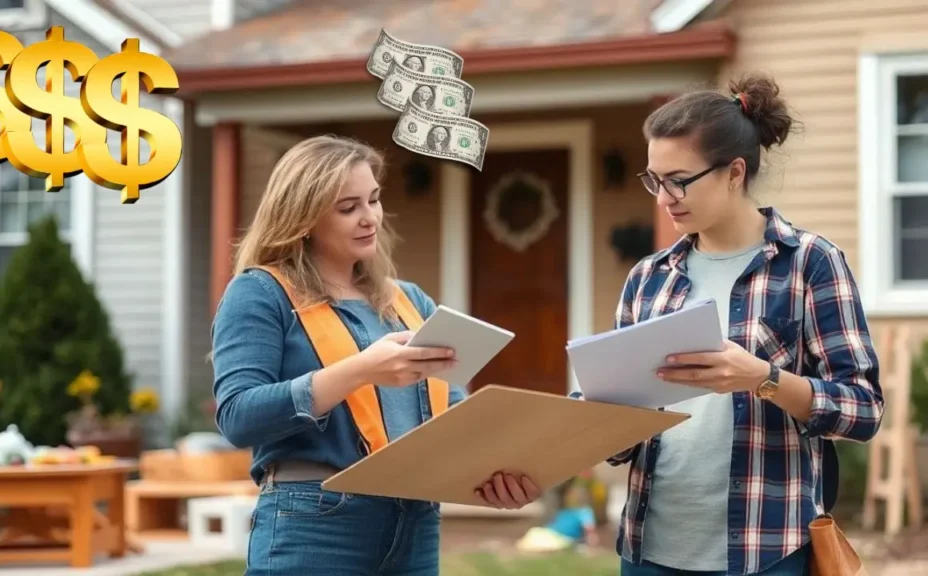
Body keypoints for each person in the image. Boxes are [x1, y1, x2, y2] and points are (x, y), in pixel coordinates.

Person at [210, 135, 541, 575]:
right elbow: (238, 417)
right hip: (315, 521)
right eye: (348, 208)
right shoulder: (260, 293)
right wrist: (361, 370)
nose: (370, 219)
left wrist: (492, 474)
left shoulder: (408, 301)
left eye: (374, 200)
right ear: (303, 217)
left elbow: (453, 415)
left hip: (416, 521)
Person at [606, 73, 884, 575]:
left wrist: (765, 379)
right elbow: (622, 419)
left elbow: (863, 410)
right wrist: (587, 423)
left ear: (734, 172)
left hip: (769, 550)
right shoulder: (648, 278)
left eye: (679, 180)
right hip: (648, 549)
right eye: (654, 180)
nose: (664, 198)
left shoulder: (811, 264)